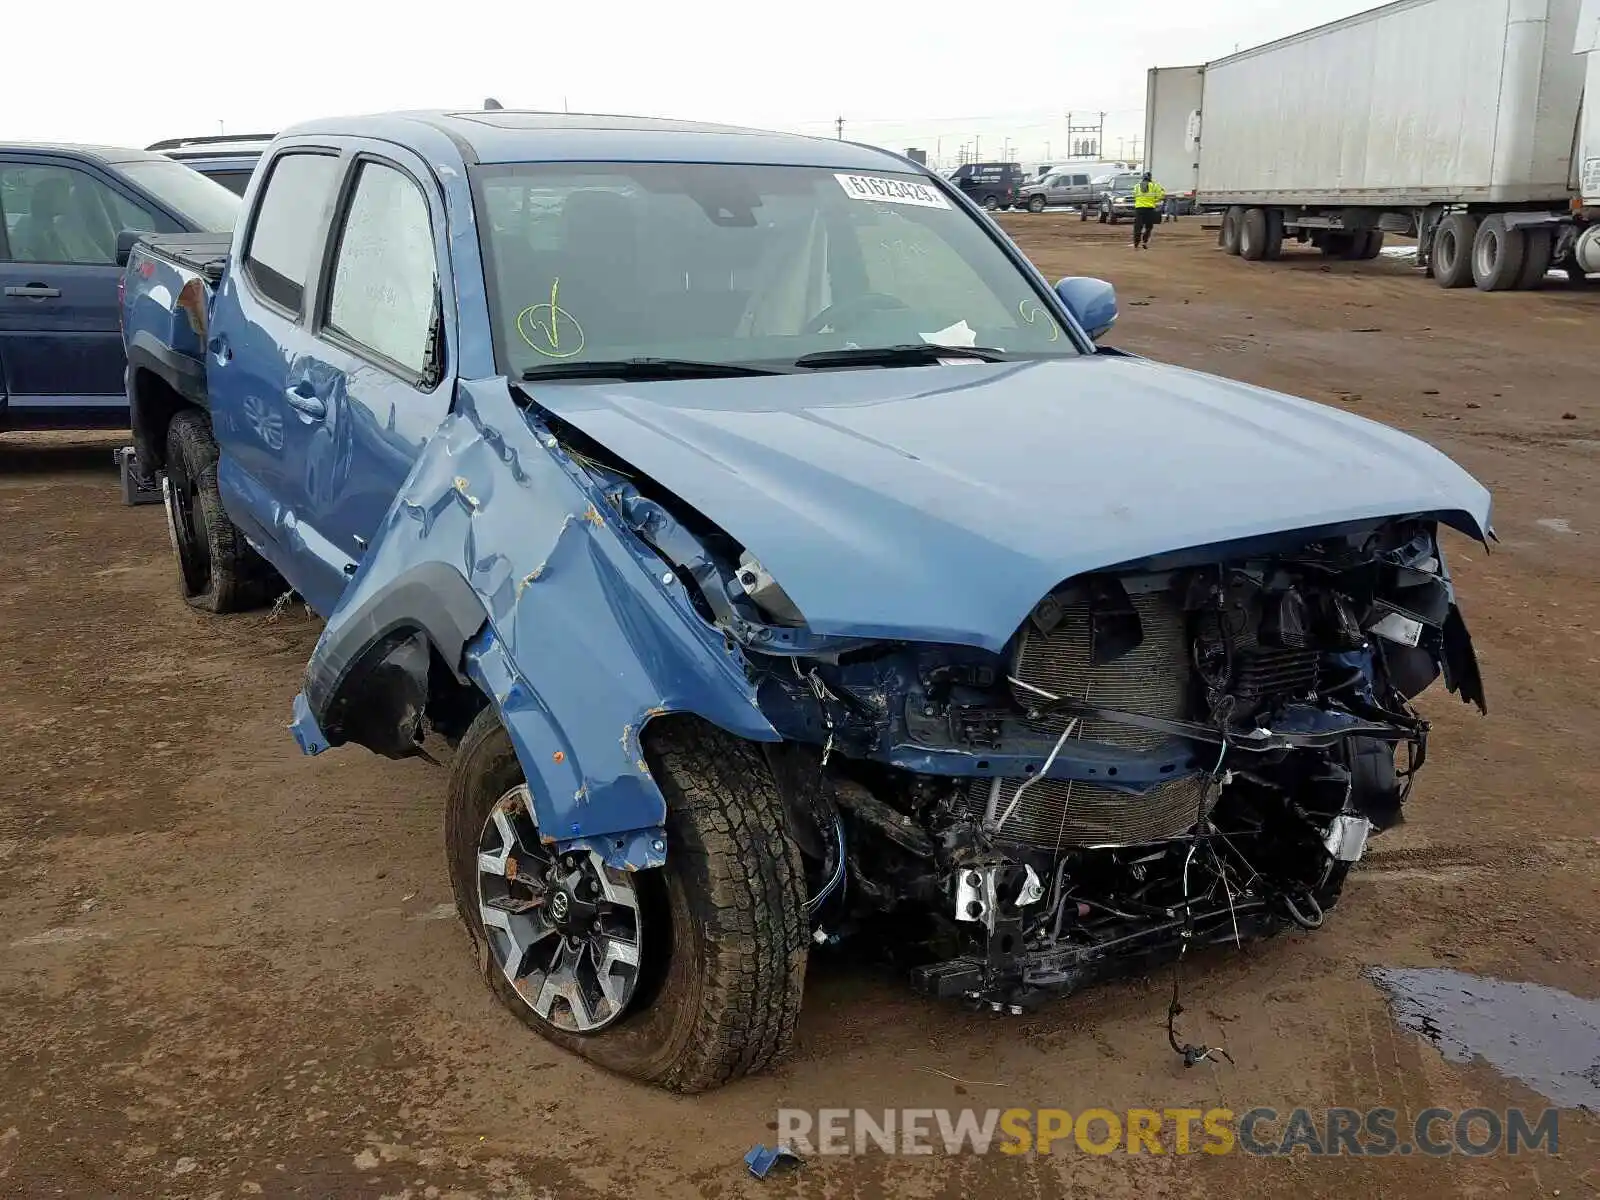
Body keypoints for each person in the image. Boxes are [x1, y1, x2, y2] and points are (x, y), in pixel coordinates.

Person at [1132, 172, 1165, 249]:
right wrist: (1154, 201)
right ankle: (1145, 241)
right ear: (1150, 178)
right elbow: (1161, 195)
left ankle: (1136, 242)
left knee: (1138, 226)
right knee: (1148, 227)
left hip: (1139, 208)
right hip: (1149, 208)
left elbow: (1134, 196)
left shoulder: (1137, 186)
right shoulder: (1154, 185)